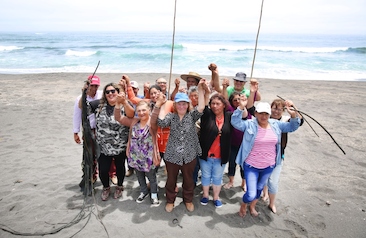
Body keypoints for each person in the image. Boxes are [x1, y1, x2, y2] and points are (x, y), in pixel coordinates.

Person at [231, 96, 301, 217]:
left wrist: (294, 115)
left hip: (268, 166)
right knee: (251, 193)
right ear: (256, 113)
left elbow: (292, 127)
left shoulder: (276, 124)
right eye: (261, 113)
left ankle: (252, 206)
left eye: (266, 114)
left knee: (259, 190)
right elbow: (235, 122)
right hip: (251, 165)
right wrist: (241, 107)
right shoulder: (250, 125)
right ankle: (244, 204)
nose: (264, 117)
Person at [155, 79, 207, 213]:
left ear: (188, 104)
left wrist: (200, 88)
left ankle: (188, 199)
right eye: (179, 104)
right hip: (172, 155)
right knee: (171, 180)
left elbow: (201, 106)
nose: (182, 106)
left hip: (189, 154)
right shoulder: (171, 117)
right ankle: (170, 200)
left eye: (184, 104)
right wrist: (160, 104)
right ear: (175, 105)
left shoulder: (192, 116)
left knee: (189, 179)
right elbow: (160, 122)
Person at [199, 93, 247, 208]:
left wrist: (242, 105)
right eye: (213, 104)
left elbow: (244, 116)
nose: (215, 106)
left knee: (217, 177)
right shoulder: (207, 115)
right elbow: (202, 106)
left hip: (222, 154)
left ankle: (216, 197)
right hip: (206, 153)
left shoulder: (229, 116)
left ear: (224, 105)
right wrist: (203, 91)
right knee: (205, 176)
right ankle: (205, 195)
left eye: (218, 104)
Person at [89, 82, 135, 201]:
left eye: (113, 91)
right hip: (103, 145)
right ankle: (106, 187)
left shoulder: (125, 104)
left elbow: (132, 114)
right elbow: (82, 105)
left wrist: (124, 101)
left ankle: (119, 186)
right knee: (103, 169)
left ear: (118, 92)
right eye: (107, 92)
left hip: (120, 144)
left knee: (120, 167)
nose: (110, 93)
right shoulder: (97, 105)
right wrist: (85, 91)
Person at [114, 97, 161, 206]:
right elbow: (118, 117)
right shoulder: (134, 122)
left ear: (149, 110)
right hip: (135, 156)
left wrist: (158, 104)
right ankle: (143, 191)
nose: (141, 113)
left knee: (151, 177)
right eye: (139, 111)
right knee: (139, 176)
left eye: (144, 110)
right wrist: (117, 103)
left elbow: (154, 118)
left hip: (149, 157)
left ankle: (154, 194)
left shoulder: (152, 123)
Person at [73, 75, 118, 189]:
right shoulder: (80, 98)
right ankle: (93, 174)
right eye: (92, 85)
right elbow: (77, 114)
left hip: (103, 128)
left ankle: (112, 174)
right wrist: (76, 132)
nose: (94, 88)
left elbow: (114, 96)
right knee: (91, 153)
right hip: (89, 129)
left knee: (108, 152)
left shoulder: (103, 94)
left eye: (96, 85)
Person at [260, 98, 304, 213]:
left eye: (280, 109)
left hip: (278, 156)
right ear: (270, 108)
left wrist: (294, 108)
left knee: (273, 182)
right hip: (263, 155)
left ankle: (272, 203)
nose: (276, 111)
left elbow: (300, 122)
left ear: (283, 111)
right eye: (274, 108)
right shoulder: (265, 118)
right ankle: (264, 194)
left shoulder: (285, 120)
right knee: (264, 178)